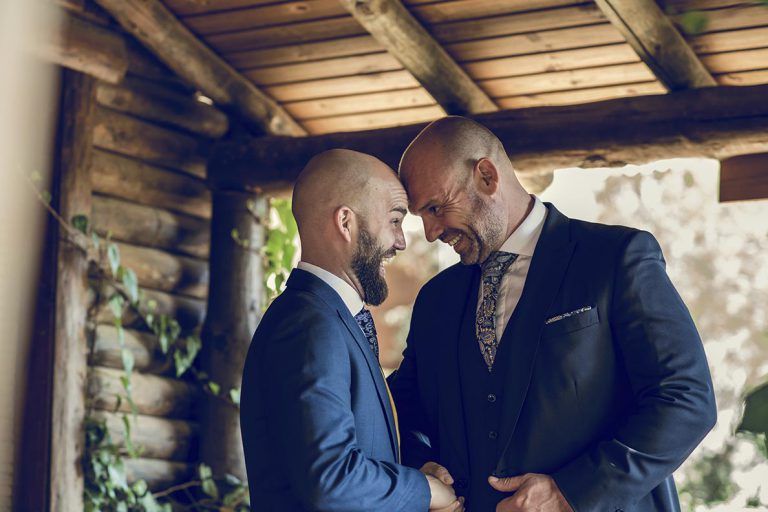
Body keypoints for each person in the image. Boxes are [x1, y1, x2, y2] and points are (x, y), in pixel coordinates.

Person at [389, 117, 717, 512]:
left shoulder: (614, 258)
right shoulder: (436, 300)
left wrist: (570, 492)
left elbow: (686, 399)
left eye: (436, 207)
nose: (428, 232)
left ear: (487, 177)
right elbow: (398, 411)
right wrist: (420, 468)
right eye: (420, 215)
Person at [240, 149, 463, 512]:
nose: (401, 241)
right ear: (346, 222)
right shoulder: (308, 325)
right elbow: (331, 479)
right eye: (394, 220)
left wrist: (409, 471)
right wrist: (425, 490)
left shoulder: (330, 318)